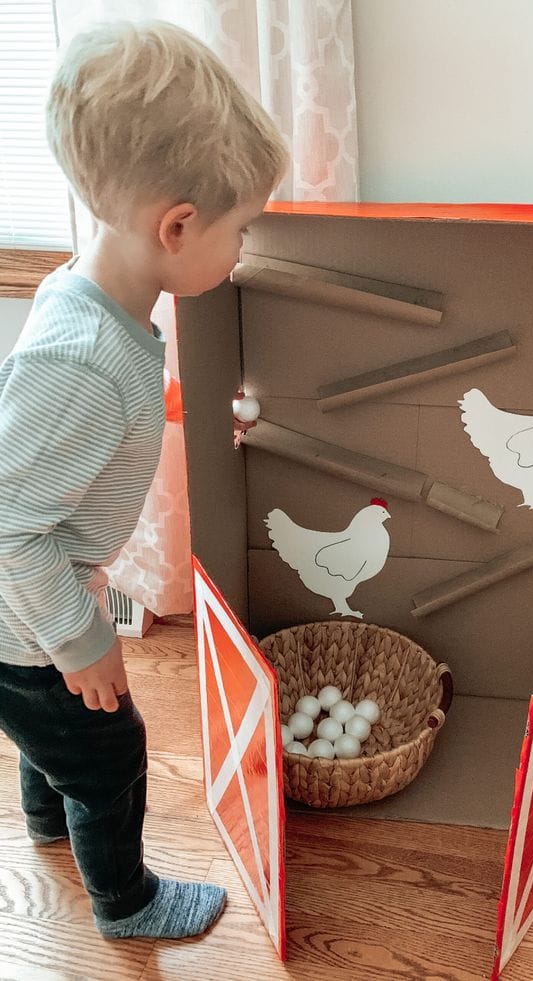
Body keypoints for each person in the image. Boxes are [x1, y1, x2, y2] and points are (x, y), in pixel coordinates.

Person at [0, 19, 287, 940]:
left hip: (27, 612)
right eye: (240, 229)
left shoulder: (90, 299)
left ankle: (46, 818)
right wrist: (79, 639)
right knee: (108, 749)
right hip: (26, 620)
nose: (242, 250)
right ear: (177, 226)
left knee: (52, 743)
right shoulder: (87, 359)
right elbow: (9, 523)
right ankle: (125, 903)